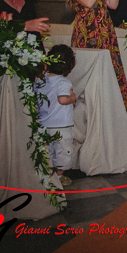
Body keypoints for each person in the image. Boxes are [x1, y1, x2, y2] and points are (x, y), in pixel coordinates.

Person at [65, 0, 127, 107]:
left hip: (105, 31)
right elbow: (87, 1)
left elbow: (112, 4)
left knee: (111, 74)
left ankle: (110, 116)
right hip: (87, 33)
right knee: (91, 79)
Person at [37, 45, 77, 187]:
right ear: (69, 67)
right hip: (61, 126)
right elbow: (62, 99)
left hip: (44, 124)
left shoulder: (41, 80)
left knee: (48, 151)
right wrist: (72, 97)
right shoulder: (64, 82)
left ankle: (49, 176)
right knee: (62, 152)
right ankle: (59, 178)